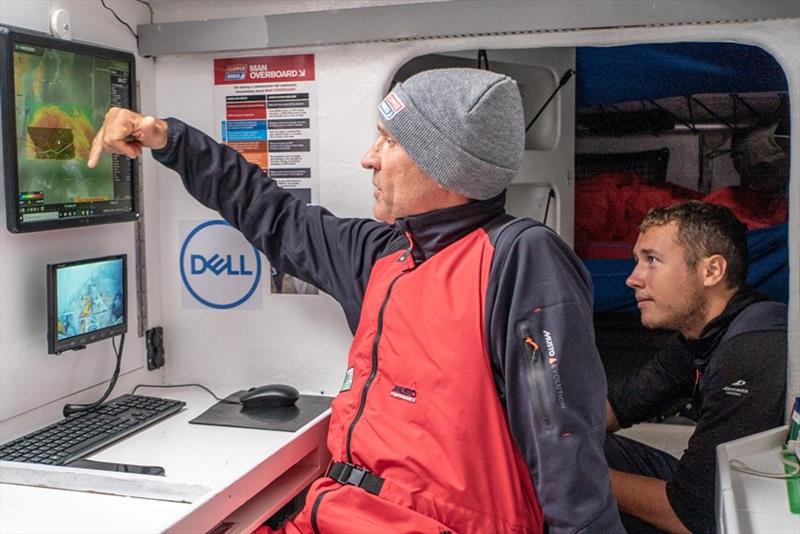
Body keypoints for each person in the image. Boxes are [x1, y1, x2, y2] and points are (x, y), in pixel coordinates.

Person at [89, 68, 622, 533]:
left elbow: (564, 442)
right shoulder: (384, 254)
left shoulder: (520, 258)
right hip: (335, 511)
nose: (369, 159)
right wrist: (168, 139)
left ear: (444, 165)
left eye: (389, 141)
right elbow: (272, 213)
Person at [605, 201, 787, 533]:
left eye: (653, 261)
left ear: (711, 271)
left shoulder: (752, 350)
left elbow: (692, 517)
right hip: (714, 501)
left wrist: (567, 475)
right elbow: (619, 406)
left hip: (756, 516)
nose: (633, 279)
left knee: (574, 472)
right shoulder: (699, 336)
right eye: (637, 262)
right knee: (581, 448)